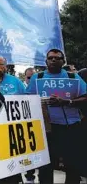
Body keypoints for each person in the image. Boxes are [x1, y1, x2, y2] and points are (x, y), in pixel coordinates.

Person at [26, 49, 87, 184]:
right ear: (46, 61)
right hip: (46, 129)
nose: (53, 60)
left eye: (57, 58)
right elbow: (27, 99)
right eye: (51, 58)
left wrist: (68, 102)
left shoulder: (72, 77)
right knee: (46, 166)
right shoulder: (38, 78)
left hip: (70, 127)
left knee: (72, 165)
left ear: (63, 61)